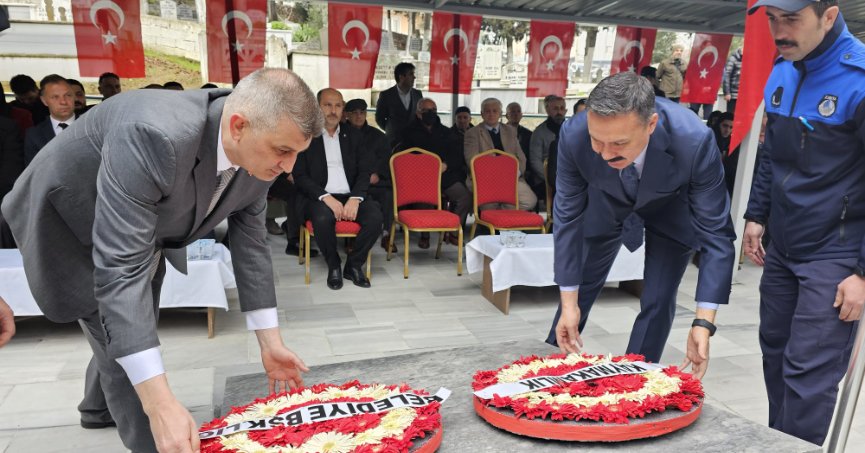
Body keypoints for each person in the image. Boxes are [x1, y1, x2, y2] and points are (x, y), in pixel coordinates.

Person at [1, 68, 317, 453]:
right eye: (284, 152)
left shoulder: (259, 143)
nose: (289, 168)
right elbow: (120, 273)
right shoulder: (154, 134)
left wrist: (270, 342)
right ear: (237, 127)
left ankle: (97, 406)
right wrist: (160, 403)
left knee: (129, 328)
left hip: (144, 227)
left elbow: (250, 241)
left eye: (298, 153)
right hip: (69, 222)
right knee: (123, 334)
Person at [546, 72, 736, 380]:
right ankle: (550, 368)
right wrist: (568, 302)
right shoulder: (573, 134)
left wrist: (704, 322)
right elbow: (567, 218)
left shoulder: (693, 140)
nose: (606, 154)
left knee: (658, 298)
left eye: (619, 143)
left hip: (671, 207)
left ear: (651, 125)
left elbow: (717, 235)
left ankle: (633, 377)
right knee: (577, 290)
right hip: (607, 202)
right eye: (598, 141)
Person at [743, 0, 865, 445]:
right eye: (773, 19)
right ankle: (783, 442)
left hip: (835, 252)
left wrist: (862, 273)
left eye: (791, 19)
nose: (779, 31)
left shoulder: (859, 80)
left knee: (808, 373)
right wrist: (756, 215)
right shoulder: (784, 70)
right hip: (783, 248)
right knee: (774, 355)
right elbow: (771, 155)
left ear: (828, 16)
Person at [294, 88, 382, 290]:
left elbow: (364, 171)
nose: (333, 110)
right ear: (317, 108)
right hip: (319, 197)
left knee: (376, 218)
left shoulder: (355, 136)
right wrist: (325, 197)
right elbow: (300, 176)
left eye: (338, 105)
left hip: (350, 195)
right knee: (323, 219)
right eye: (327, 105)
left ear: (343, 109)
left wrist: (356, 198)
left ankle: (353, 265)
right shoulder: (305, 137)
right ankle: (333, 265)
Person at [400, 98, 473, 241]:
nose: (430, 113)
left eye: (433, 110)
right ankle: (424, 235)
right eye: (426, 111)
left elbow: (457, 155)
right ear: (418, 113)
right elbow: (404, 157)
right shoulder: (407, 132)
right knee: (423, 198)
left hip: (444, 176)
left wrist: (446, 164)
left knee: (465, 197)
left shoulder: (446, 132)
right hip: (420, 177)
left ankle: (452, 231)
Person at [464, 97, 538, 212]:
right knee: (489, 209)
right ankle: (497, 224)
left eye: (495, 111)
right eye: (487, 111)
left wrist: (515, 173)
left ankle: (502, 218)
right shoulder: (472, 133)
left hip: (511, 178)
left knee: (530, 201)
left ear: (500, 114)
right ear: (482, 114)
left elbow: (521, 157)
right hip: (485, 180)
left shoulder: (510, 130)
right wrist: (495, 176)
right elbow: (471, 160)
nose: (491, 114)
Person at [345, 98, 396, 253]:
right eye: (354, 113)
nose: (359, 116)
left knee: (388, 194)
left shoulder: (378, 136)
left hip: (374, 182)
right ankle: (351, 237)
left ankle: (387, 235)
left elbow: (385, 159)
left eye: (362, 112)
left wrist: (377, 174)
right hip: (350, 184)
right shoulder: (341, 135)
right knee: (350, 197)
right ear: (347, 115)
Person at [24, 74, 76, 166]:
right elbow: (33, 173)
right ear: (44, 100)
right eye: (55, 97)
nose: (63, 102)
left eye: (68, 95)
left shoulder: (92, 126)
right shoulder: (34, 135)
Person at [375, 62, 422, 150]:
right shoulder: (386, 95)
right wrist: (391, 129)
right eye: (411, 74)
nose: (414, 77)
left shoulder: (418, 94)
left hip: (414, 142)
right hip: (393, 142)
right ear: (401, 77)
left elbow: (420, 116)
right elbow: (379, 118)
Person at [530, 95, 567, 202]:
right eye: (555, 109)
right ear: (547, 110)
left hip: (568, 175)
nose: (559, 112)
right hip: (545, 178)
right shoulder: (539, 133)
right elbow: (535, 161)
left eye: (562, 108)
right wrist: (549, 177)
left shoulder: (571, 129)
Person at [722, 48, 743, 113]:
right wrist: (727, 92)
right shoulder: (733, 58)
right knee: (731, 116)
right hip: (733, 95)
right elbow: (726, 75)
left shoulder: (750, 59)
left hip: (743, 94)